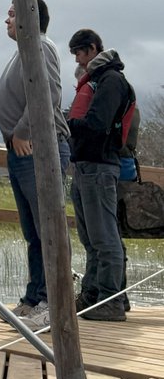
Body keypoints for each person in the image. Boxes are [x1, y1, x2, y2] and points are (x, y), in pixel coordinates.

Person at [0, 0, 69, 330]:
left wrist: (23, 131)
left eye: (12, 13)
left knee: (48, 229)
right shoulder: (23, 49)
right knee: (34, 233)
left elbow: (48, 93)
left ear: (29, 16)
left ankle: (53, 304)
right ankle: (35, 298)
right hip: (22, 151)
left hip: (37, 149)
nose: (7, 20)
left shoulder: (40, 45)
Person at [67, 29, 136, 322]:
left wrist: (67, 123)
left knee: (104, 238)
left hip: (99, 166)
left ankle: (111, 300)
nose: (77, 60)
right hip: (87, 165)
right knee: (92, 239)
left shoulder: (111, 81)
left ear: (92, 49)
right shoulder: (99, 80)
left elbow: (98, 123)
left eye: (79, 53)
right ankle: (93, 295)